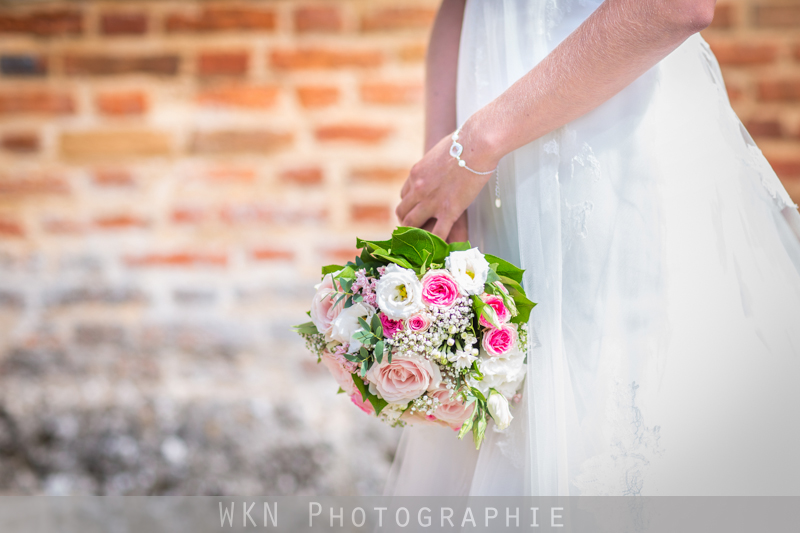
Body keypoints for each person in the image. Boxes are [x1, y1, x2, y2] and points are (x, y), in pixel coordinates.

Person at [387, 0, 800, 496]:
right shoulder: (467, 157)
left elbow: (677, 7)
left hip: (610, 151)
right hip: (490, 180)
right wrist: (444, 172)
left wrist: (473, 145)